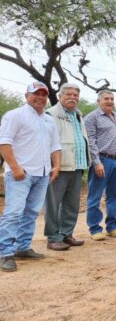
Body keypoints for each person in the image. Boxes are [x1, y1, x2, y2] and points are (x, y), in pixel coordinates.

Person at [0, 82, 61, 272]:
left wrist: (56, 166)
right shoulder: (15, 115)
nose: (41, 98)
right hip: (21, 174)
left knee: (31, 213)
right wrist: (15, 167)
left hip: (42, 174)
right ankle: (5, 252)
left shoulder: (49, 120)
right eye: (36, 94)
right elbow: (4, 142)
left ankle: (22, 247)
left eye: (44, 94)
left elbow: (55, 146)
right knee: (14, 213)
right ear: (27, 95)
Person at [44, 83, 90, 251]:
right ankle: (53, 237)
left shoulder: (78, 114)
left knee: (72, 204)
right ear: (59, 96)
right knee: (53, 204)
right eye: (68, 94)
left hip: (77, 165)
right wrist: (51, 164)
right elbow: (46, 141)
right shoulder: (51, 115)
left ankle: (66, 234)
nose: (72, 97)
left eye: (75, 95)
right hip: (59, 167)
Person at [84, 90, 116, 241]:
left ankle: (112, 226)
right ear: (98, 101)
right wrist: (97, 162)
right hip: (102, 160)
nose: (110, 101)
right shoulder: (91, 118)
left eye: (112, 99)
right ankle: (95, 228)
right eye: (106, 99)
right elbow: (91, 142)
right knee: (95, 195)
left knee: (115, 194)